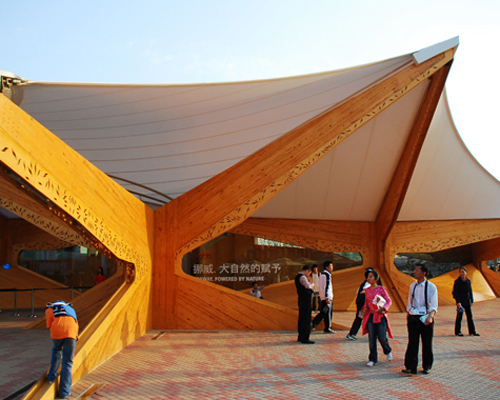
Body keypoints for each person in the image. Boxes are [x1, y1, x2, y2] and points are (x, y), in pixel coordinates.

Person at [402, 264, 438, 375]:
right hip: (414, 316)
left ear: (424, 273)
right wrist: (409, 311)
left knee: (426, 342)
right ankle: (410, 366)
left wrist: (430, 316)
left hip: (425, 317)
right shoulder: (413, 286)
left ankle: (427, 366)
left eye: (417, 270)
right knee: (413, 341)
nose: (414, 272)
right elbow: (410, 300)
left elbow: (434, 303)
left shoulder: (431, 287)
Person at [359, 270, 393, 367]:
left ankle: (387, 350)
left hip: (380, 316)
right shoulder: (367, 290)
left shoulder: (381, 289)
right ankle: (372, 359)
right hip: (370, 316)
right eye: (368, 277)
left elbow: (388, 300)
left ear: (376, 279)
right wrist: (365, 307)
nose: (368, 278)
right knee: (372, 338)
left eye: (371, 276)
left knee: (382, 337)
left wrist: (384, 308)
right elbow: (366, 302)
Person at [46, 300, 79, 399]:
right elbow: (75, 322)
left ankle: (52, 376)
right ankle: (64, 392)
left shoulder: (49, 310)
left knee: (56, 350)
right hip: (71, 333)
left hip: (57, 333)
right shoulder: (71, 309)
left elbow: (49, 325)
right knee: (67, 362)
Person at [346, 268, 372, 340]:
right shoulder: (367, 284)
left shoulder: (364, 283)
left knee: (360, 318)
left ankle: (352, 333)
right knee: (367, 319)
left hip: (361, 305)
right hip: (363, 306)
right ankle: (352, 334)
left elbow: (357, 292)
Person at [453, 267, 479, 337]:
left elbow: (470, 291)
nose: (462, 273)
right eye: (461, 272)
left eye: (463, 272)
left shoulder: (468, 281)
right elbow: (455, 292)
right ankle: (458, 331)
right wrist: (458, 302)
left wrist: (471, 299)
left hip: (467, 301)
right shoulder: (457, 282)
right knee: (459, 317)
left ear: (466, 273)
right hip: (461, 302)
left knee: (470, 317)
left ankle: (472, 331)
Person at [311, 261, 335, 333]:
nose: (332, 267)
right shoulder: (326, 275)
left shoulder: (324, 275)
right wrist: (327, 297)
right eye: (331, 266)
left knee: (323, 313)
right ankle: (327, 328)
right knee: (327, 313)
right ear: (327, 267)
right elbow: (326, 287)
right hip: (326, 298)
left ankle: (313, 324)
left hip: (324, 297)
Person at [295, 265, 315, 344]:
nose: (309, 275)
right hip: (305, 300)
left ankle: (300, 336)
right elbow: (308, 286)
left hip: (301, 300)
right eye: (309, 273)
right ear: (307, 271)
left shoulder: (297, 277)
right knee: (306, 318)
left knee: (302, 318)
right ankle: (305, 337)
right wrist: (312, 285)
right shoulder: (302, 277)